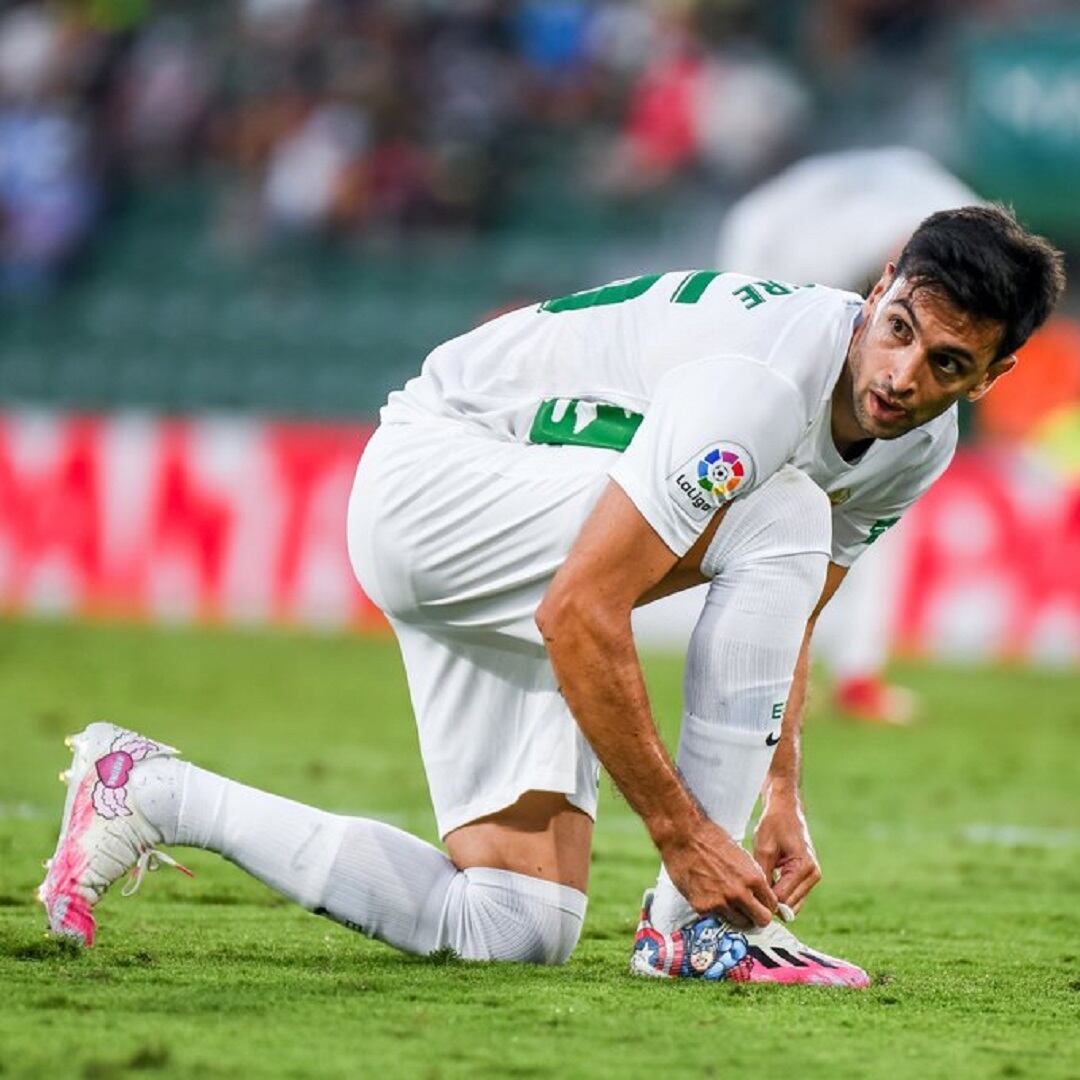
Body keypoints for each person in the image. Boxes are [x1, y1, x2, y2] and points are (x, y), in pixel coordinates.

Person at [40, 206, 1063, 986]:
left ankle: (148, 790)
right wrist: (686, 840)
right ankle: (697, 928)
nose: (900, 375)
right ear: (881, 284)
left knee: (512, 926)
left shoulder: (917, 446)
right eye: (895, 328)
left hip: (529, 528)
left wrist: (780, 790)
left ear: (993, 374)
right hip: (437, 482)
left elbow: (789, 610)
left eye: (944, 363)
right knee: (780, 512)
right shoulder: (758, 387)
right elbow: (581, 609)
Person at [717, 147, 982, 724]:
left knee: (883, 495)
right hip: (765, 306)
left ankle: (855, 674)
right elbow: (772, 333)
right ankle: (750, 663)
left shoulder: (969, 232)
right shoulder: (792, 241)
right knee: (768, 495)